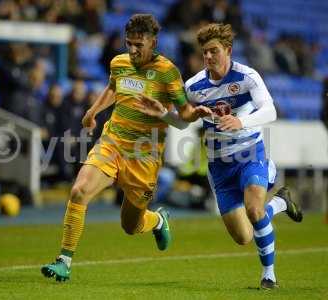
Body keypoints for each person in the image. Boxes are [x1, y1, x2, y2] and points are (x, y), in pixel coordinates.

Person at [40, 14, 211, 282]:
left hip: (144, 155)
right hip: (113, 142)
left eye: (138, 45)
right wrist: (93, 111)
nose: (132, 50)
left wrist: (195, 114)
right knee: (79, 190)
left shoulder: (168, 72)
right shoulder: (119, 63)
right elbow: (112, 88)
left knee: (130, 226)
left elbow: (185, 113)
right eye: (128, 43)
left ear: (153, 42)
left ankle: (157, 220)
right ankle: (64, 261)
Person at [135, 23, 303, 289]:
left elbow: (270, 110)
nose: (209, 57)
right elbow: (183, 122)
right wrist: (164, 114)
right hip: (219, 166)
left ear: (228, 50)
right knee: (244, 236)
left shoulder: (247, 76)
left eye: (214, 51)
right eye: (205, 53)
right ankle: (280, 203)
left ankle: (268, 275)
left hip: (250, 154)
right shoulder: (194, 86)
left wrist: (242, 122)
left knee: (254, 209)